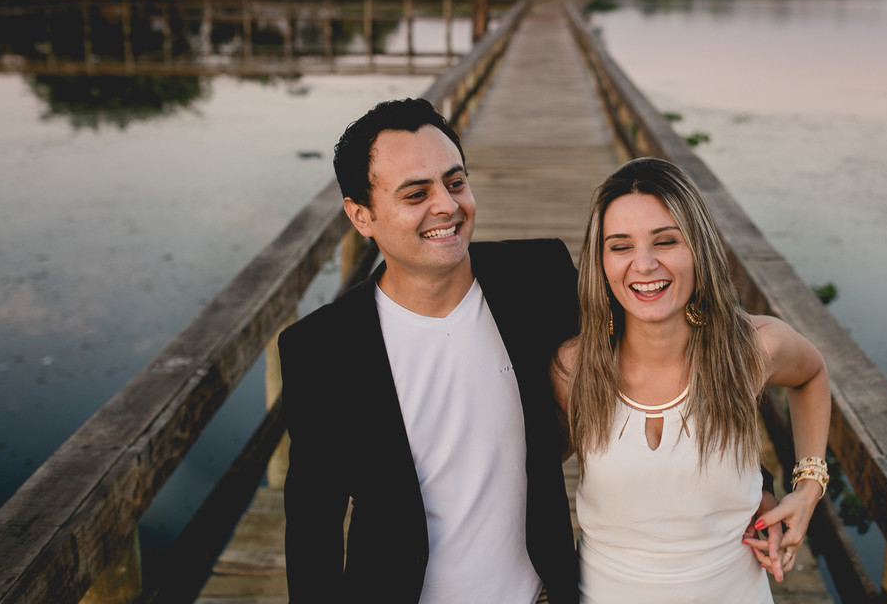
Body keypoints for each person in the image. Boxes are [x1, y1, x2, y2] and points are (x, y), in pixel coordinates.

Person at [278, 98, 580, 603]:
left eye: (455, 182)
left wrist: (758, 486)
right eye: (416, 193)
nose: (447, 205)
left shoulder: (540, 277)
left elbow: (668, 366)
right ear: (361, 216)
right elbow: (314, 530)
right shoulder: (320, 349)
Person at [552, 157, 832, 603]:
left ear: (698, 247)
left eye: (665, 241)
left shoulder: (751, 350)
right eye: (620, 246)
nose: (644, 265)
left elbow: (813, 374)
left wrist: (809, 488)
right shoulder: (575, 367)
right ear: (600, 262)